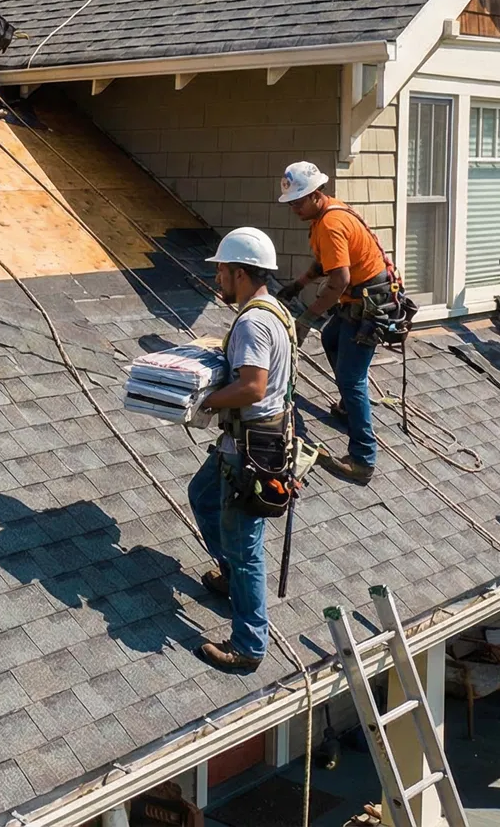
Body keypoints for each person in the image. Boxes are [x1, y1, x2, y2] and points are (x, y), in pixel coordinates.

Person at [188, 227, 296, 673]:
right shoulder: (275, 311)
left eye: (222, 272)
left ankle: (249, 645)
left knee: (246, 547)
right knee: (201, 495)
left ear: (239, 272)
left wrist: (205, 401)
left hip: (249, 450)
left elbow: (253, 387)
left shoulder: (252, 323)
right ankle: (231, 575)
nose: (218, 280)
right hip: (261, 440)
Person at [278, 161, 388, 484]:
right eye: (291, 204)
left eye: (298, 202)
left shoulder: (330, 223)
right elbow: (326, 261)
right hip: (357, 299)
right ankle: (349, 407)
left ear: (315, 194)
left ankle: (363, 459)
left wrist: (306, 318)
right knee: (331, 339)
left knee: (353, 379)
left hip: (368, 305)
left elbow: (339, 280)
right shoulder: (325, 214)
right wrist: (299, 284)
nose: (294, 209)